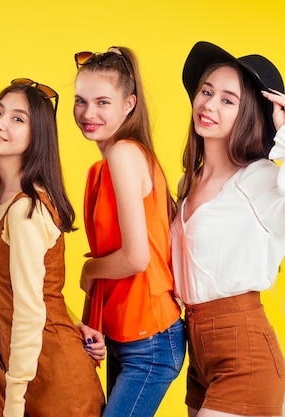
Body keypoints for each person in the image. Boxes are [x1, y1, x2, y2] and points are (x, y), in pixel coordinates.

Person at [0, 78, 106, 417]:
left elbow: (30, 312)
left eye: (18, 118)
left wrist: (14, 401)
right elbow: (45, 291)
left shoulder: (24, 211)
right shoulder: (2, 201)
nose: (0, 123)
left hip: (51, 381)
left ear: (38, 136)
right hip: (22, 370)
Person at [171, 41, 285, 417]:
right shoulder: (187, 185)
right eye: (206, 92)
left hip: (245, 350)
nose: (208, 105)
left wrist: (284, 132)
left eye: (227, 100)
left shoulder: (261, 180)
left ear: (249, 114)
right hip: (197, 349)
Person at [73, 46, 185, 417]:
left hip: (149, 340)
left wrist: (89, 270)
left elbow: (136, 258)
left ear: (129, 104)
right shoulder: (100, 168)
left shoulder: (123, 154)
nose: (88, 114)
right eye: (81, 101)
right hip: (123, 335)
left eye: (103, 101)